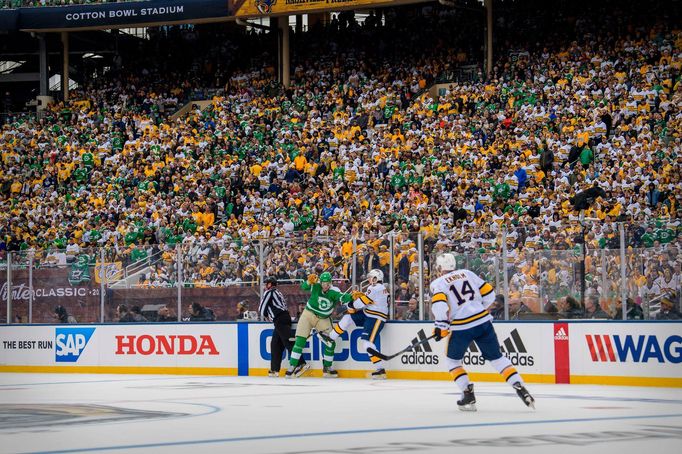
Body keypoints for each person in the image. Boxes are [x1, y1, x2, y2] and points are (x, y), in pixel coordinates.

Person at [429, 253, 534, 411]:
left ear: (439, 268)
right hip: (483, 322)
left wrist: (441, 326)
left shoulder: (438, 283)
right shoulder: (468, 273)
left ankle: (468, 395)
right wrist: (477, 309)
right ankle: (519, 387)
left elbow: (440, 306)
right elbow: (489, 294)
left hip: (461, 327)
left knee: (453, 362)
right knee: (497, 358)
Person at [285, 271, 357, 378]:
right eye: (323, 283)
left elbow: (342, 297)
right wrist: (308, 281)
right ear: (321, 282)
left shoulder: (334, 291)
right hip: (308, 314)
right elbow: (303, 287)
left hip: (323, 319)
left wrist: (351, 297)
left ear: (330, 283)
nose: (325, 286)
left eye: (327, 283)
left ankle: (327, 368)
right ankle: (292, 366)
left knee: (331, 343)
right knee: (300, 341)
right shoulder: (316, 284)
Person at [328, 269, 389, 379]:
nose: (369, 279)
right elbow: (365, 302)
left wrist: (350, 305)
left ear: (377, 278)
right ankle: (331, 337)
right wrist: (352, 306)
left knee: (367, 343)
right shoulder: (378, 288)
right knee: (348, 317)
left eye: (372, 277)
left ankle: (380, 369)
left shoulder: (375, 288)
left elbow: (360, 303)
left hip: (376, 318)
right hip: (367, 313)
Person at [258, 276, 306, 377]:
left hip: (279, 319)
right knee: (275, 344)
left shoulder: (269, 292)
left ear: (270, 284)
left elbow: (262, 308)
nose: (265, 286)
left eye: (266, 284)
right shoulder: (278, 292)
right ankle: (274, 369)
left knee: (288, 342)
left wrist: (266, 316)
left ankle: (301, 363)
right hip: (283, 318)